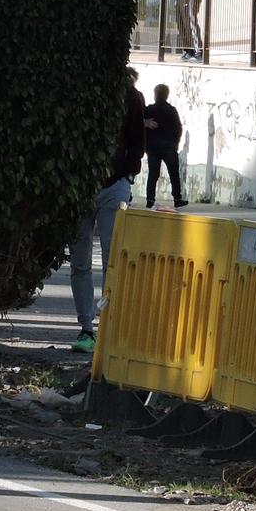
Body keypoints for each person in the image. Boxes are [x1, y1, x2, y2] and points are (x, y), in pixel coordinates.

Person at [71, 69, 145, 354]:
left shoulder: (130, 95)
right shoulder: (82, 87)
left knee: (112, 260)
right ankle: (86, 328)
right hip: (81, 187)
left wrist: (127, 174)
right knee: (80, 261)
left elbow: (138, 140)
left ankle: (106, 326)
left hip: (114, 186)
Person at [143, 83, 184, 208]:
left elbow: (142, 127)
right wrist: (175, 143)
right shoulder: (171, 110)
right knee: (173, 173)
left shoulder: (149, 110)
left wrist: (146, 144)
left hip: (153, 147)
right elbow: (178, 128)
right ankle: (177, 198)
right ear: (167, 95)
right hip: (168, 146)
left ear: (155, 95)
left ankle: (150, 200)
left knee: (153, 174)